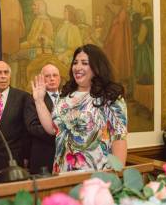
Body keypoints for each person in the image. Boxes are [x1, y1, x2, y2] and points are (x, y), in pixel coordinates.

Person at [32, 44, 128, 173]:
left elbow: (119, 138)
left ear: (97, 67)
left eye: (84, 63)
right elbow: (52, 129)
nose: (77, 67)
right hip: (62, 173)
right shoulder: (65, 96)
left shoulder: (110, 97)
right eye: (75, 62)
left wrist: (117, 176)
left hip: (97, 176)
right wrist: (39, 101)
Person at [26, 64, 61, 174]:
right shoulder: (32, 99)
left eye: (55, 75)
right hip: (44, 155)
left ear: (59, 78)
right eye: (47, 76)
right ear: (41, 78)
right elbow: (33, 126)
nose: (52, 78)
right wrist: (59, 134)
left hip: (65, 155)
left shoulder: (68, 97)